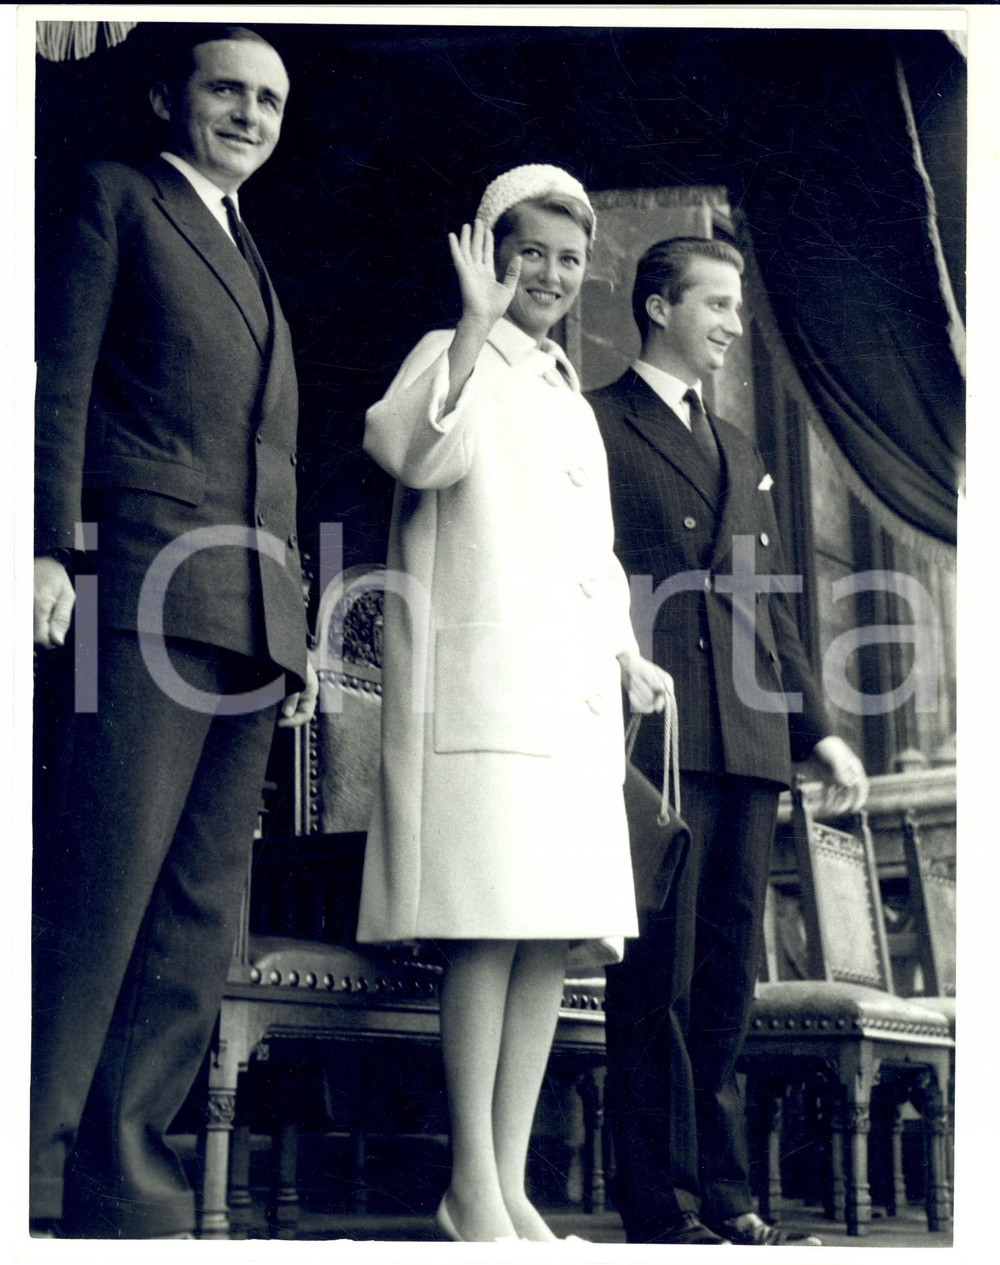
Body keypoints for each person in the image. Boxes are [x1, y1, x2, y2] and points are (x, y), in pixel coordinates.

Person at [31, 25, 318, 1239]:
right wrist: (46, 544)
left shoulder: (252, 253)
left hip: (247, 614)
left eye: (268, 99)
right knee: (106, 884)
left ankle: (124, 1176)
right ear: (170, 96)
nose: (249, 113)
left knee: (201, 904)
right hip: (143, 577)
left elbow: (270, 459)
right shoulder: (116, 198)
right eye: (227, 92)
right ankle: (31, 1171)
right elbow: (61, 378)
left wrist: (291, 634)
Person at [356, 164, 672, 1243]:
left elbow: (592, 553)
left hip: (568, 703)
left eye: (568, 258)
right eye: (527, 250)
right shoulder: (460, 357)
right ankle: (470, 1186)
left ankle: (506, 1190)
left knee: (546, 936)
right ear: (488, 252)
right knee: (490, 931)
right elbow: (407, 447)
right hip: (484, 696)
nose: (548, 273)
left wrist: (628, 651)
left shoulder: (563, 394)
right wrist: (467, 325)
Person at [587, 237, 870, 1246]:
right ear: (658, 306)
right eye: (714, 303)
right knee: (652, 974)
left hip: (749, 734)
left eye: (739, 307)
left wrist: (820, 732)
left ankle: (726, 1188)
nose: (732, 324)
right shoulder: (596, 422)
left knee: (722, 974)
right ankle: (658, 1202)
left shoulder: (741, 444)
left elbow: (773, 609)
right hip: (657, 727)